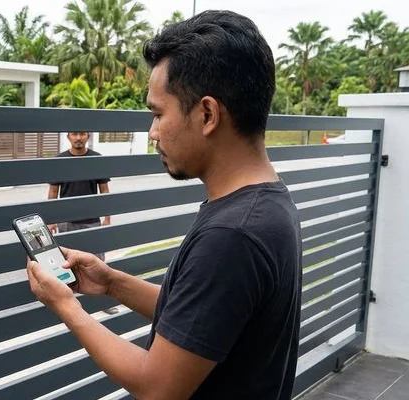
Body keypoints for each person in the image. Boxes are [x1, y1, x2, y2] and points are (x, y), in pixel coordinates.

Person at [26, 10, 301, 400]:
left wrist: (66, 307)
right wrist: (112, 283)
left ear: (208, 114)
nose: (153, 132)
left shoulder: (232, 235)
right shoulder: (266, 202)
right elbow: (198, 320)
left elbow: (157, 387)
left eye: (157, 113)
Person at [48, 131, 111, 260]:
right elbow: (53, 192)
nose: (78, 138)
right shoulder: (59, 160)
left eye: (82, 134)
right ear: (68, 137)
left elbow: (104, 190)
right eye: (74, 134)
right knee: (69, 261)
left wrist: (107, 218)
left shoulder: (96, 159)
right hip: (66, 221)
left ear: (88, 136)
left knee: (96, 260)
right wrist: (51, 220)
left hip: (92, 220)